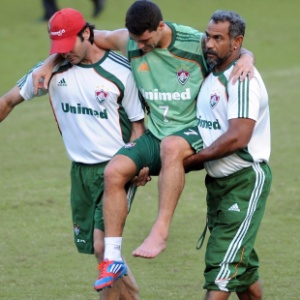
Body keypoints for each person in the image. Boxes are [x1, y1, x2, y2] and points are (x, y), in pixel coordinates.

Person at [32, 0, 255, 292]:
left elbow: (228, 46)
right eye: (136, 41)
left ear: (160, 27)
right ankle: (111, 258)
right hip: (154, 135)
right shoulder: (128, 40)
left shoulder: (192, 41)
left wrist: (247, 57)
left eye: (146, 40)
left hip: (192, 132)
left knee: (172, 146)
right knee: (115, 170)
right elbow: (82, 41)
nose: (141, 47)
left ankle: (160, 231)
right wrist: (49, 64)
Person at [1, 7, 145, 300]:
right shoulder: (50, 71)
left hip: (116, 169)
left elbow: (138, 125)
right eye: (58, 48)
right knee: (100, 253)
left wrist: (139, 160)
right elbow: (7, 102)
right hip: (80, 172)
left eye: (69, 45)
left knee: (104, 248)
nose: (64, 53)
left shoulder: (121, 71)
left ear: (87, 34)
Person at [161, 10, 271, 300]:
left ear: (236, 42)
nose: (208, 43)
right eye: (208, 36)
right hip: (219, 185)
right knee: (242, 269)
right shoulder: (212, 70)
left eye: (217, 38)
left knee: (221, 266)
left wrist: (189, 162)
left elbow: (238, 136)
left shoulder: (241, 80)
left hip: (244, 182)